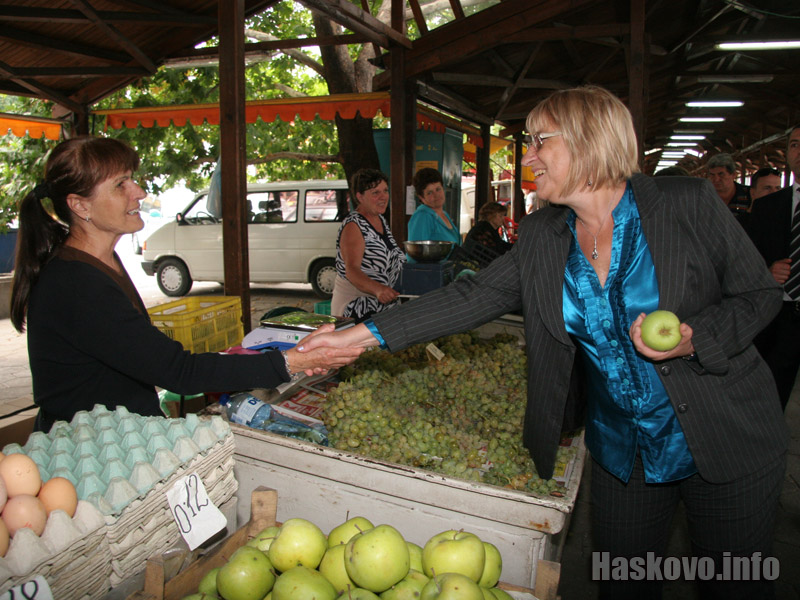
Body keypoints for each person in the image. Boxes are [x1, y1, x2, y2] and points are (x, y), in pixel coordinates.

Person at [301, 86, 788, 600]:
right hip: (626, 451)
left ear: (588, 140)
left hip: (726, 433)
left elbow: (759, 295)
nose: (529, 157)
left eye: (540, 141)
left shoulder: (685, 203)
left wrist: (695, 339)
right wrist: (356, 337)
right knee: (624, 587)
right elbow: (472, 297)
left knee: (734, 586)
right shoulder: (543, 236)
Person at [9, 136, 363, 432]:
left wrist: (278, 359)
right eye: (120, 185)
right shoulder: (76, 284)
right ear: (79, 205)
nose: (139, 192)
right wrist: (290, 362)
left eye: (132, 179)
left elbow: (145, 355)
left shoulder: (102, 261)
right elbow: (178, 371)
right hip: (88, 443)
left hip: (120, 429)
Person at [747, 126, 800, 411]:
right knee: (772, 394)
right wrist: (766, 272)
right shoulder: (767, 207)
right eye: (794, 145)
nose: (799, 151)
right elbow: (745, 263)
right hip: (781, 315)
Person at [331, 168, 405, 320]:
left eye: (385, 191)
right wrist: (378, 289)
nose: (383, 197)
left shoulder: (380, 220)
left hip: (382, 311)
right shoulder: (353, 226)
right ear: (360, 197)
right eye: (375, 193)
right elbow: (352, 270)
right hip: (356, 310)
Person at [406, 167, 461, 259]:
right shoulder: (422, 217)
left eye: (438, 189)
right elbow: (416, 257)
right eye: (429, 193)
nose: (436, 195)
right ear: (421, 198)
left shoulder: (444, 214)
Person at [706, 153, 752, 227]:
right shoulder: (705, 196)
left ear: (733, 175)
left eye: (721, 174)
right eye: (712, 175)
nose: (716, 179)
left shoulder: (749, 194)